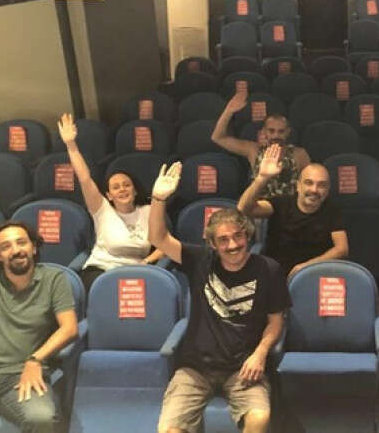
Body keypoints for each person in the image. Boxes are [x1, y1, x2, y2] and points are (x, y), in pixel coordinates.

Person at [148, 162, 289, 433]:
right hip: (195, 368)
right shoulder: (199, 260)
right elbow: (158, 237)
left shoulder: (268, 269)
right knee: (170, 431)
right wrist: (158, 199)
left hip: (243, 367)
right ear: (212, 244)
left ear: (248, 236)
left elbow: (276, 322)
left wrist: (260, 354)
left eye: (238, 236)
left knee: (259, 418)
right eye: (223, 240)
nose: (233, 245)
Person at [0, 219, 78, 433]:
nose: (15, 250)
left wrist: (35, 359)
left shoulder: (54, 279)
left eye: (21, 242)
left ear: (34, 247)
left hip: (21, 375)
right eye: (6, 246)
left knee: (42, 419)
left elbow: (69, 328)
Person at [57, 113, 164, 291]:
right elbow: (84, 178)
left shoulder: (149, 211)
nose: (122, 189)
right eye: (115, 187)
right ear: (109, 195)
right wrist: (71, 145)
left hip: (135, 274)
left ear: (135, 190)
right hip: (100, 271)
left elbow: (164, 245)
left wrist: (147, 261)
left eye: (127, 185)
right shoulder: (102, 210)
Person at [237, 144, 348, 278]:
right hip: (275, 274)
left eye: (321, 185)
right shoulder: (281, 203)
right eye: (308, 183)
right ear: (298, 186)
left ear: (328, 190)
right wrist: (262, 178)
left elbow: (342, 249)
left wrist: (306, 267)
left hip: (314, 273)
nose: (314, 190)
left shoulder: (332, 210)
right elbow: (243, 209)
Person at [211, 89, 310, 198]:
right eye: (271, 131)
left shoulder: (300, 154)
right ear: (264, 131)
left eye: (281, 131)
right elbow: (218, 138)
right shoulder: (253, 150)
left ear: (288, 132)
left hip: (289, 206)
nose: (276, 135)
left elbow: (308, 185)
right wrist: (228, 111)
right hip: (258, 205)